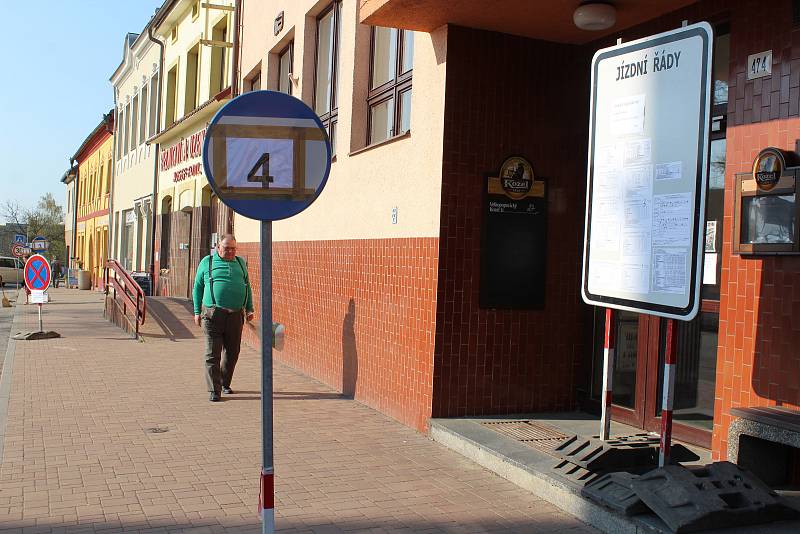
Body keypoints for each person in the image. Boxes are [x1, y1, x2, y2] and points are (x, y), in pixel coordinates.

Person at [193, 234, 254, 402]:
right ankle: (214, 390)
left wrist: (249, 308)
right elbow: (197, 288)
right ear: (218, 247)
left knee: (232, 352)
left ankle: (224, 383)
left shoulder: (240, 263)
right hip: (213, 314)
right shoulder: (208, 262)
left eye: (233, 248)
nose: (230, 251)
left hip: (235, 315)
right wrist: (197, 312)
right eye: (227, 248)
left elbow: (247, 287)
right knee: (212, 354)